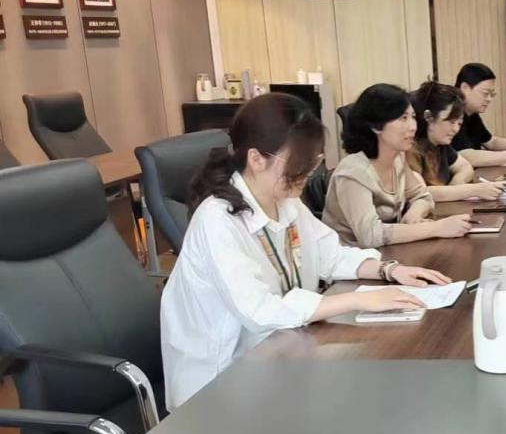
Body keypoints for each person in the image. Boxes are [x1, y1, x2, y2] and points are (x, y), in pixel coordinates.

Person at [160, 93, 452, 410]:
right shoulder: (218, 220)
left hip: (283, 356)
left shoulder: (285, 200)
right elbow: (259, 311)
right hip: (220, 387)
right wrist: (358, 300)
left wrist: (390, 270)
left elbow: (331, 254)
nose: (309, 171)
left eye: (313, 160)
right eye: (300, 162)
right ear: (257, 159)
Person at [323, 83, 475, 247]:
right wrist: (437, 228)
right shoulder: (353, 173)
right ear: (376, 126)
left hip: (389, 253)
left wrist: (413, 214)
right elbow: (371, 236)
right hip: (352, 259)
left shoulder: (397, 159)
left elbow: (422, 196)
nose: (413, 127)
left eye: (413, 117)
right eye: (403, 118)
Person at [409, 81, 506, 202]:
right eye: (451, 122)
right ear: (428, 117)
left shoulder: (440, 144)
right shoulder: (411, 148)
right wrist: (473, 190)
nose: (456, 129)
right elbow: (421, 192)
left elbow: (465, 167)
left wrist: (455, 187)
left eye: (459, 123)